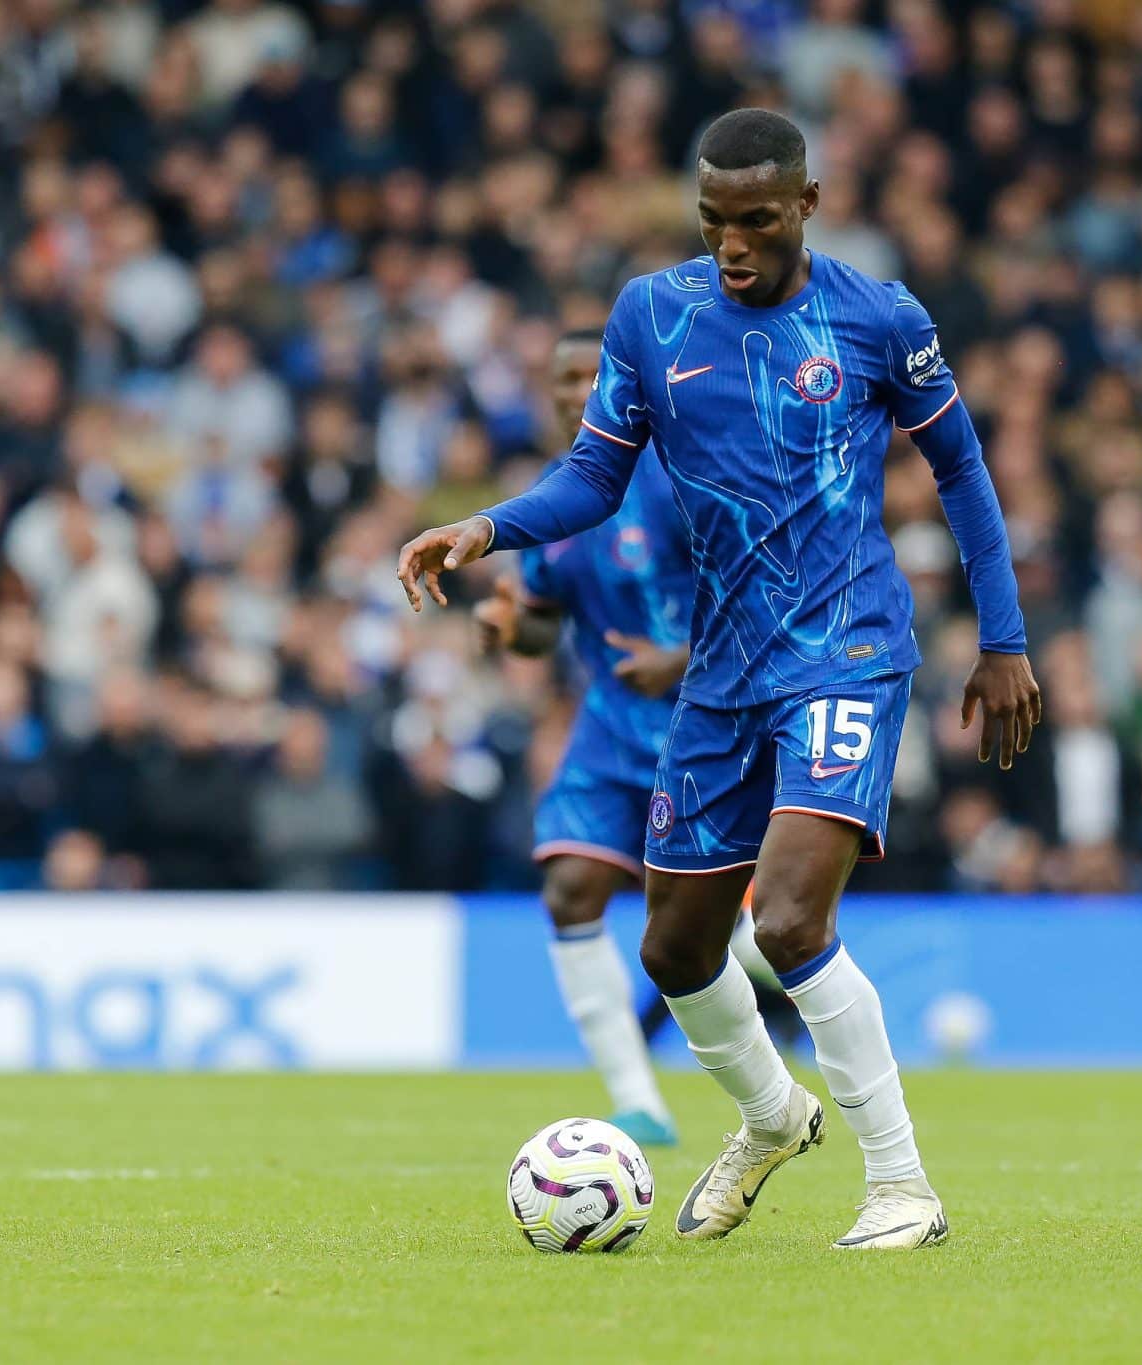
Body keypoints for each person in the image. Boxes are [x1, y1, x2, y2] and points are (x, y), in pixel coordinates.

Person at [397, 109, 1039, 1251]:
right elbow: (593, 476)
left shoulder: (879, 318)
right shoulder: (653, 314)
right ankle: (773, 1116)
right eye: (712, 221)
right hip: (724, 665)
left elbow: (962, 472)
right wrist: (487, 528)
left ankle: (902, 1187)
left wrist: (1003, 640)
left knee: (787, 918)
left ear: (807, 205)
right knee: (676, 947)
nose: (732, 244)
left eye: (756, 220)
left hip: (845, 648)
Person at [468, 328, 696, 1146]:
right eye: (562, 380)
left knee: (711, 926)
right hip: (611, 723)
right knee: (569, 886)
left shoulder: (686, 473)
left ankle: (777, 1054)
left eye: (591, 376)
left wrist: (680, 657)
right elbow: (541, 623)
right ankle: (640, 1100)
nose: (575, 393)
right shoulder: (555, 498)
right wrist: (511, 628)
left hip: (711, 721)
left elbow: (764, 595)